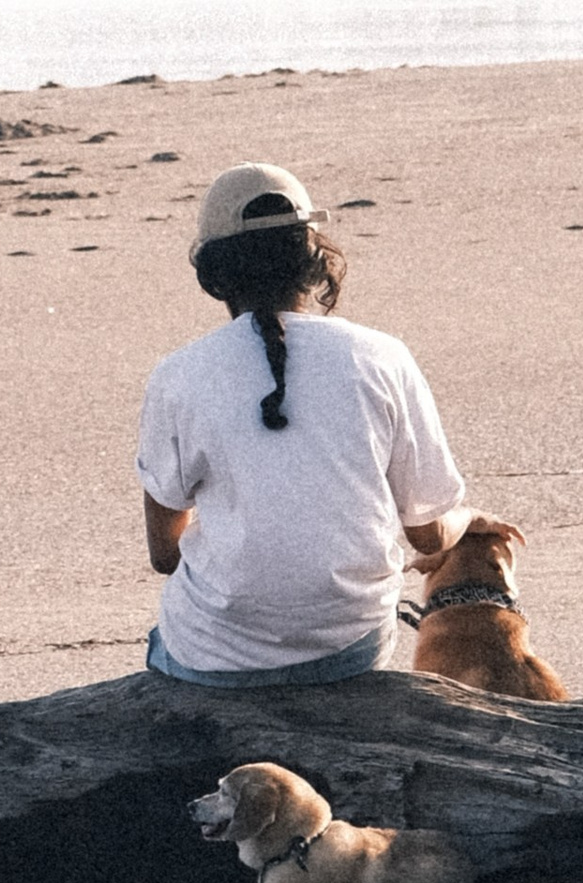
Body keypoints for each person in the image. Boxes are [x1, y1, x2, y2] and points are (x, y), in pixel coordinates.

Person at [137, 160, 470, 685]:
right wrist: (468, 519)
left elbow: (164, 555)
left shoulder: (178, 375)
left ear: (215, 276)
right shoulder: (382, 357)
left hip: (216, 656)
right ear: (314, 259)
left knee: (166, 647)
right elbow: (428, 535)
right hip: (349, 646)